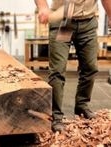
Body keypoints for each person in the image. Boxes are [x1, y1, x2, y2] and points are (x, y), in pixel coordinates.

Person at [34, 0, 111, 132]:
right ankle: (56, 116)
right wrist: (42, 7)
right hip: (64, 24)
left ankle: (82, 106)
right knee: (58, 71)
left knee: (90, 68)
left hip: (88, 23)